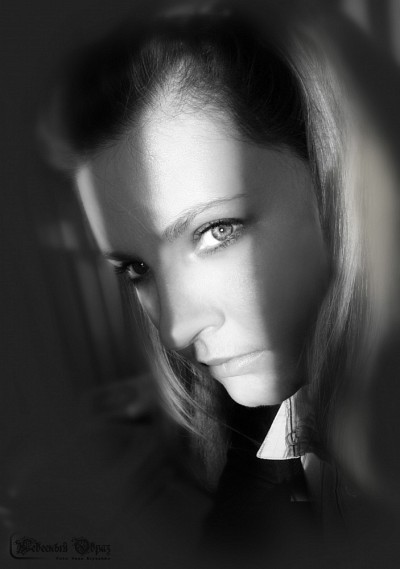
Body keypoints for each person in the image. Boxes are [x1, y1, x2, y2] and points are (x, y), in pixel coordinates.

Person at [39, 1, 400, 566]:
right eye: (136, 268)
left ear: (339, 185)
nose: (176, 329)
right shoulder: (266, 399)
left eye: (218, 230)